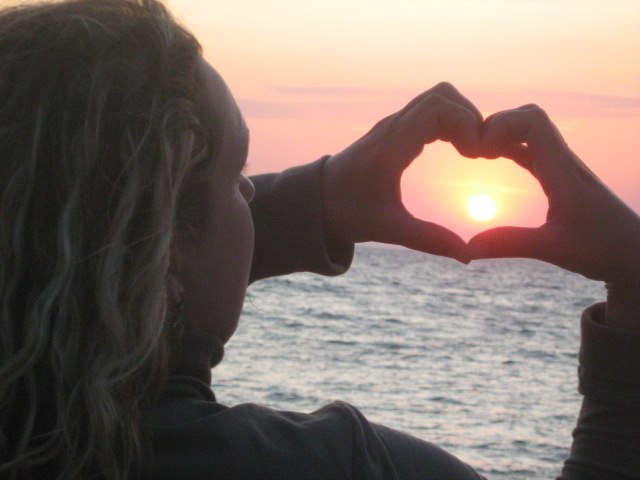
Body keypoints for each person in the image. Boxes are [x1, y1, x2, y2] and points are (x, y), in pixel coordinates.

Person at [0, 1, 637, 479]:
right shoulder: (335, 467)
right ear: (165, 247)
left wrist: (319, 200)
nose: (252, 194)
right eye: (237, 174)